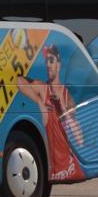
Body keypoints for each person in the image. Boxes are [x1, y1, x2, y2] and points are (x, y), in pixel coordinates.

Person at [16, 43, 85, 182]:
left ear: (59, 65)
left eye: (51, 60)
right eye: (46, 61)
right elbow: (19, 81)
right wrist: (40, 102)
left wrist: (63, 110)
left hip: (69, 167)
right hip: (53, 167)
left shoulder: (67, 97)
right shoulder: (43, 88)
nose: (48, 64)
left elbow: (79, 140)